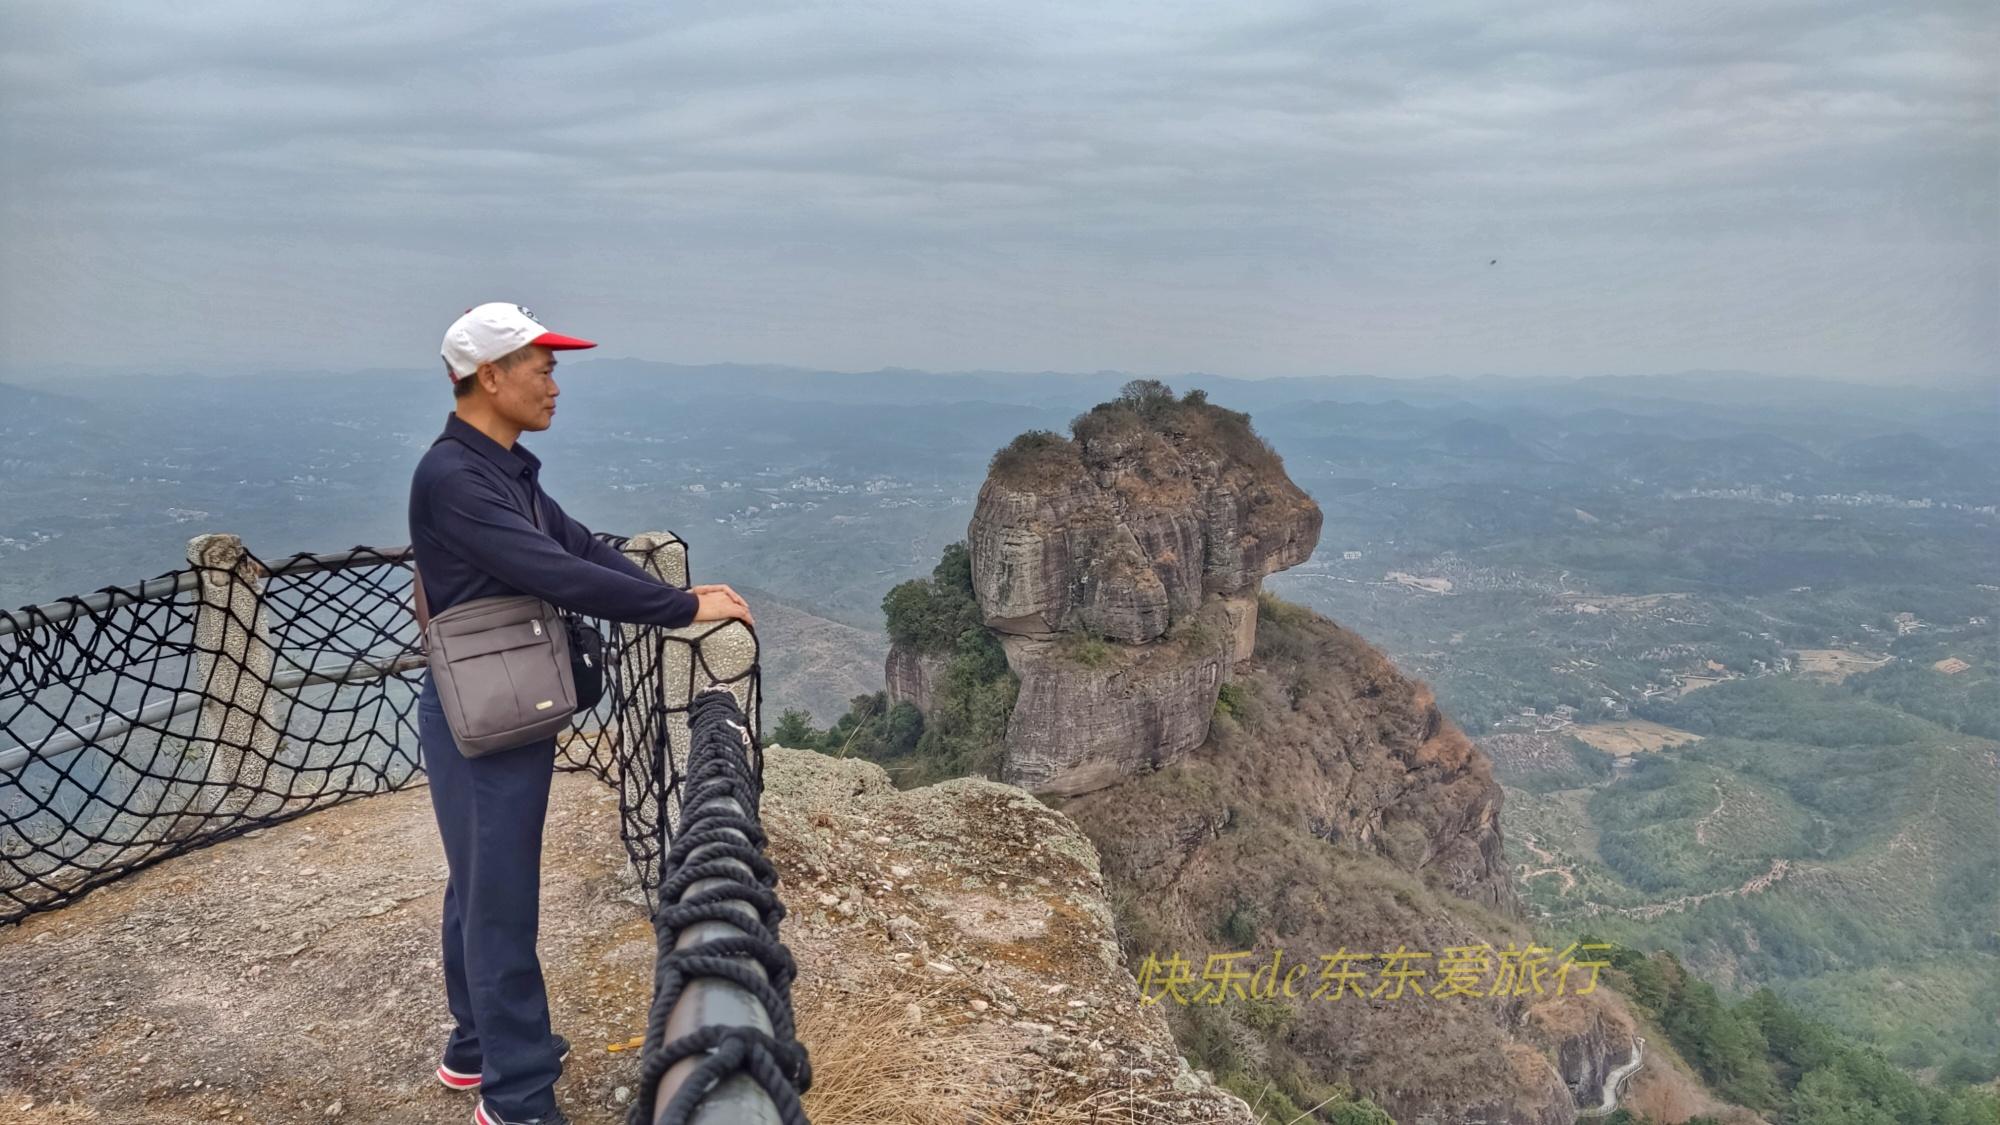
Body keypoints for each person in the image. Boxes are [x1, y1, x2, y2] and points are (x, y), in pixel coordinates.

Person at [408, 302, 753, 1125]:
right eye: (543, 366)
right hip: (482, 715)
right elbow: (553, 572)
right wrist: (675, 611)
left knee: (479, 883)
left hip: (490, 705)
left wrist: (683, 596)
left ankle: (473, 1049)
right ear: (491, 376)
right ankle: (518, 1095)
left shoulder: (501, 467)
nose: (555, 382)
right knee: (498, 901)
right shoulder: (455, 478)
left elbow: (578, 546)